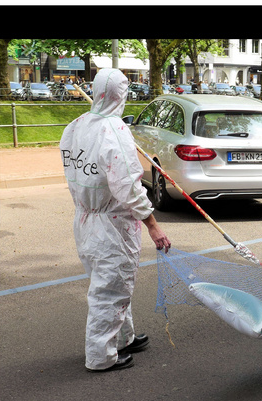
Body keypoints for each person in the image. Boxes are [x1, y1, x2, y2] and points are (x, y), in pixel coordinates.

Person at [59, 67, 171, 373]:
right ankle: (100, 355)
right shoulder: (115, 131)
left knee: (113, 283)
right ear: (122, 95)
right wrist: (152, 224)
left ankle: (124, 336)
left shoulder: (76, 126)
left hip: (86, 220)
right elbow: (128, 187)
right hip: (112, 224)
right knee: (109, 291)